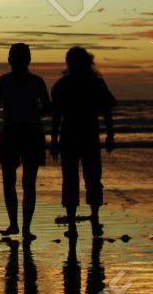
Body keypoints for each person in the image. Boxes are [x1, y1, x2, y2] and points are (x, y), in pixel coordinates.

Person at [0, 42, 51, 242]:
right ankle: (21, 226)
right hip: (22, 132)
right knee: (22, 183)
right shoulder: (29, 82)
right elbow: (48, 108)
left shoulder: (9, 81)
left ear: (9, 60)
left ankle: (20, 225)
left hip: (21, 132)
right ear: (28, 59)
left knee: (17, 183)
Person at [50, 46, 117, 239]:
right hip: (84, 136)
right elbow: (107, 112)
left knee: (76, 179)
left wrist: (54, 140)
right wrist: (110, 135)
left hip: (74, 136)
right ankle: (90, 220)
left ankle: (76, 223)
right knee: (91, 178)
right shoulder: (94, 83)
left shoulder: (65, 84)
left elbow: (56, 116)